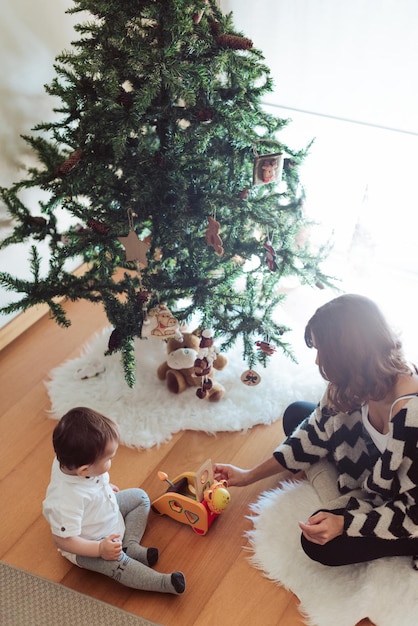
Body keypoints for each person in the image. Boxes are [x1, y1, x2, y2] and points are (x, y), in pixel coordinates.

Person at [214, 294, 418, 568]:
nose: (317, 360)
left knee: (321, 544)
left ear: (349, 356)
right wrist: (247, 475)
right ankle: (337, 491)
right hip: (376, 469)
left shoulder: (411, 416)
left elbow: (413, 512)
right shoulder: (356, 381)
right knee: (297, 413)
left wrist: (345, 521)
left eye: (323, 352)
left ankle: (339, 497)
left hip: (410, 507)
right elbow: (313, 430)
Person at [43, 407, 186, 594]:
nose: (112, 461)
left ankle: (130, 545)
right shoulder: (65, 500)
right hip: (91, 543)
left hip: (106, 510)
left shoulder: (71, 460)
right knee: (119, 565)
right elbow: (63, 541)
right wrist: (100, 549)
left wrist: (105, 487)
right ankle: (162, 583)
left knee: (139, 497)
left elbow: (90, 483)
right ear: (84, 470)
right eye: (109, 458)